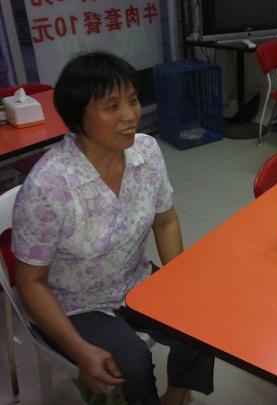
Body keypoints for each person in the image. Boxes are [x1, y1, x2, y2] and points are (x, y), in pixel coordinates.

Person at [12, 51, 214, 405]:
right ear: (78, 117)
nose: (130, 115)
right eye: (112, 107)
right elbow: (30, 282)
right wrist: (80, 349)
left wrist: (178, 280)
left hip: (134, 278)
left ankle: (175, 397)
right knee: (132, 363)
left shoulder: (146, 152)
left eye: (133, 101)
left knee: (202, 318)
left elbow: (165, 220)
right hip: (76, 303)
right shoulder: (49, 186)